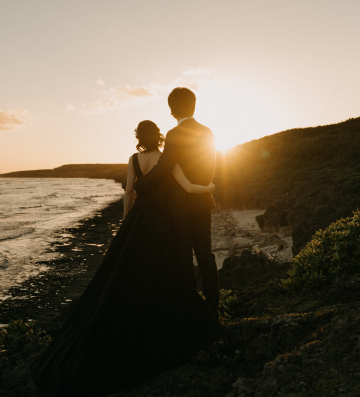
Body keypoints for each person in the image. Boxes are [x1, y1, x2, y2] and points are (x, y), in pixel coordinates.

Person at [32, 119, 221, 397]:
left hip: (138, 223)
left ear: (138, 137)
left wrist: (125, 224)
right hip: (164, 223)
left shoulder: (133, 159)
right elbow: (189, 188)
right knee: (166, 271)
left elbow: (128, 194)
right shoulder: (167, 159)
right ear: (158, 136)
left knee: (130, 272)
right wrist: (210, 188)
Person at [134, 87, 220, 317]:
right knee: (205, 253)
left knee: (184, 255)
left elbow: (164, 168)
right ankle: (213, 308)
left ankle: (191, 308)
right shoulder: (208, 132)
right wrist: (201, 187)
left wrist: (140, 185)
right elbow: (211, 167)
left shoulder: (175, 134)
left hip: (180, 206)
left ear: (172, 110)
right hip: (202, 201)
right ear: (194, 105)